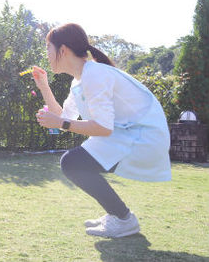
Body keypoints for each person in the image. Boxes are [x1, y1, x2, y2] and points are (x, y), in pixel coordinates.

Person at [33, 23, 171, 238]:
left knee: (72, 162)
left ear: (63, 50)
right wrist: (44, 86)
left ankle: (123, 219)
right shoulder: (80, 80)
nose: (47, 55)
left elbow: (102, 128)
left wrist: (60, 124)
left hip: (142, 139)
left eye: (49, 48)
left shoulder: (94, 75)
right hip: (126, 136)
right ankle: (119, 216)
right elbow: (65, 117)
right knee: (74, 163)